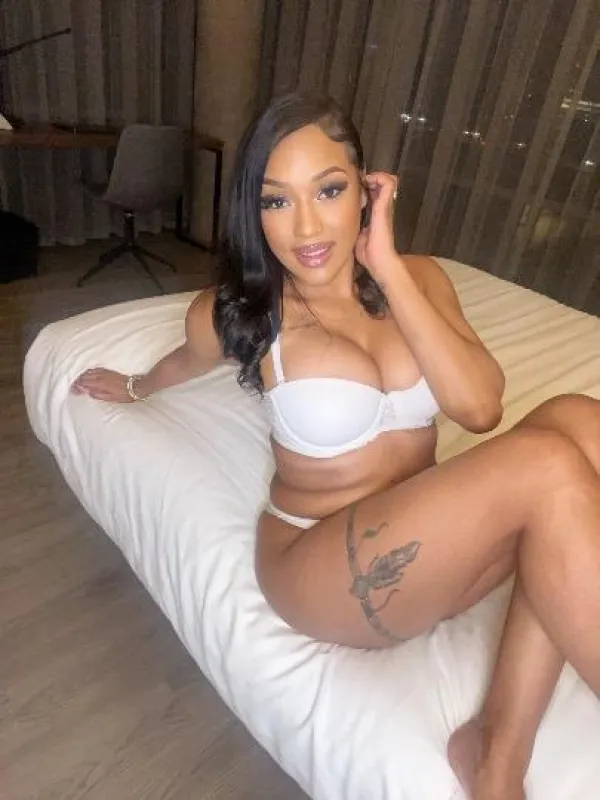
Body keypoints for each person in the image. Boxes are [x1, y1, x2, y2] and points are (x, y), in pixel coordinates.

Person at [71, 92, 600, 800]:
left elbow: (479, 409)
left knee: (580, 421)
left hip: (431, 553)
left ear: (366, 190)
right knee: (548, 466)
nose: (307, 227)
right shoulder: (247, 312)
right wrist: (136, 386)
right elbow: (183, 362)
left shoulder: (421, 279)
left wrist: (387, 267)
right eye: (276, 201)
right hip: (322, 566)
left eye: (328, 190)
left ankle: (495, 755)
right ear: (254, 212)